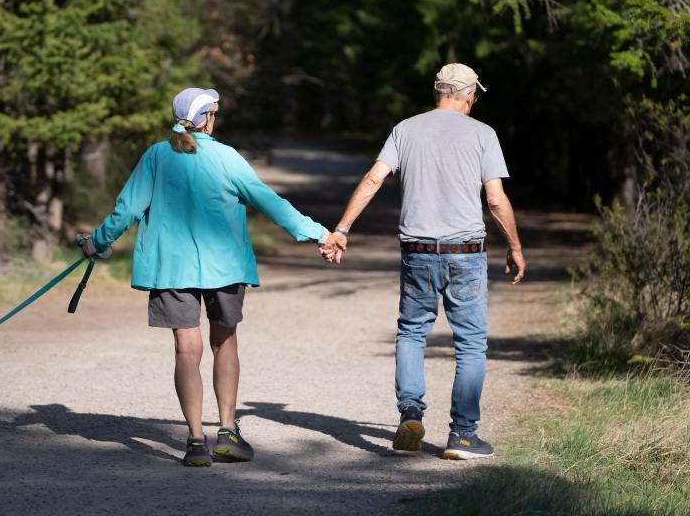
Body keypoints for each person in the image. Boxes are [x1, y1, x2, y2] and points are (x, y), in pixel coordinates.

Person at [80, 87, 332, 467]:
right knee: (224, 343)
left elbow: (126, 210)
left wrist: (96, 242)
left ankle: (196, 441)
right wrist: (319, 234)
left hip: (170, 268)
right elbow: (269, 202)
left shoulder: (156, 156)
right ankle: (227, 432)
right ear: (207, 119)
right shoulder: (226, 157)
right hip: (224, 267)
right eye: (213, 111)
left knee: (186, 349)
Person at [322, 63, 526, 460]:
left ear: (437, 93)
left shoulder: (405, 129)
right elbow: (496, 200)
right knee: (469, 345)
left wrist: (342, 229)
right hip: (465, 254)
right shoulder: (484, 134)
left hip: (417, 254)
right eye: (475, 96)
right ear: (468, 95)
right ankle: (463, 436)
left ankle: (410, 412)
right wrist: (515, 246)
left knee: (412, 333)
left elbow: (372, 179)